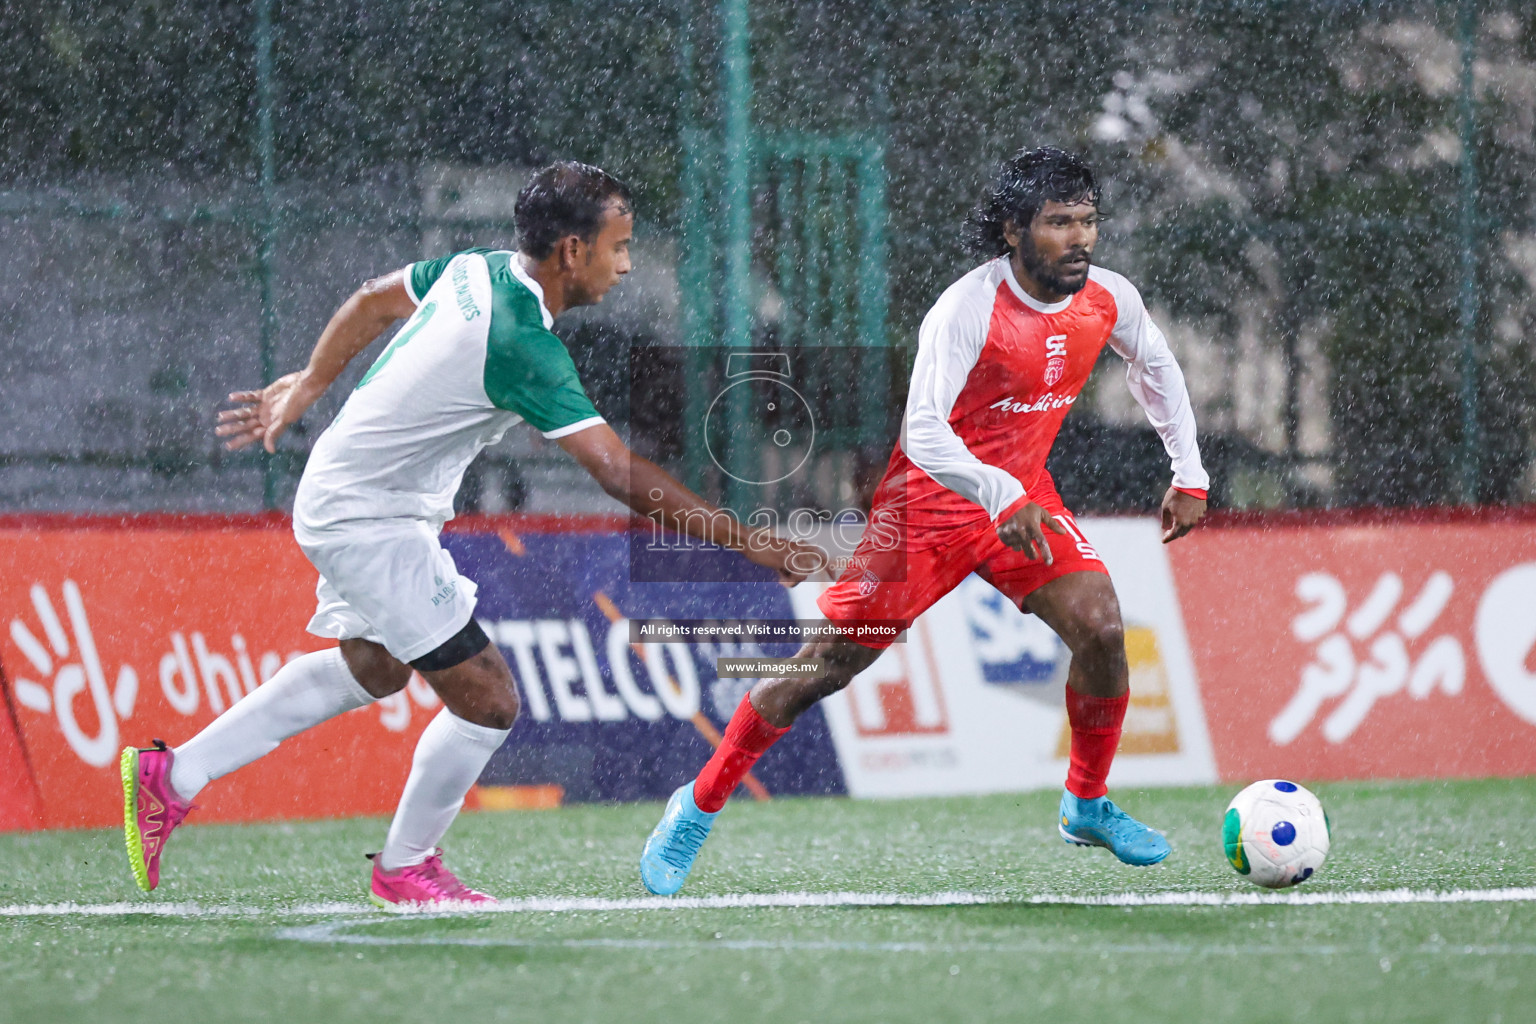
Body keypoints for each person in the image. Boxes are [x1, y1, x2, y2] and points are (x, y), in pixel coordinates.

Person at [120, 161, 818, 907]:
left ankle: (175, 774)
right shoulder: (521, 343)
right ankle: (405, 869)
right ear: (572, 252)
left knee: (376, 669)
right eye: (619, 246)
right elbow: (618, 474)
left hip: (365, 500)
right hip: (367, 518)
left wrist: (310, 386)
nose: (625, 263)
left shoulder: (476, 269)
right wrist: (756, 544)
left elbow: (369, 300)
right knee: (488, 700)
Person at [640, 146, 1210, 896]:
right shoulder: (966, 309)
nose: (1079, 239)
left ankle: (1087, 803)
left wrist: (1189, 470)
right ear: (1013, 229)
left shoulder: (1109, 298)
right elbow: (927, 432)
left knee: (1103, 628)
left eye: (1088, 222)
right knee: (821, 671)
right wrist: (998, 493)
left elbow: (1156, 365)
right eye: (1058, 222)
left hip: (1023, 503)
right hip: (928, 512)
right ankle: (699, 802)